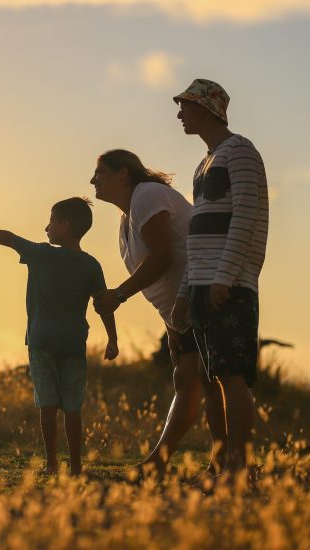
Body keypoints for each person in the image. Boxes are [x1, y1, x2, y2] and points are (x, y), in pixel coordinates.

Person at [0, 197, 118, 476]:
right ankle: (76, 467)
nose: (46, 227)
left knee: (48, 404)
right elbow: (103, 304)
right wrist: (113, 339)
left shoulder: (41, 254)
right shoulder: (91, 265)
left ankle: (52, 464)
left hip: (41, 342)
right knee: (72, 407)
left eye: (51, 221)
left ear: (65, 225)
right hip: (74, 343)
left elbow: (8, 238)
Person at [91, 149, 226, 477]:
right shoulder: (128, 217)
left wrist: (119, 295)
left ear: (123, 174)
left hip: (205, 294)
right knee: (190, 379)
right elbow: (165, 271)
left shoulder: (147, 195)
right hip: (182, 308)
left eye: (100, 172)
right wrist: (171, 326)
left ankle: (224, 464)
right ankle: (174, 462)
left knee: (211, 381)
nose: (93, 180)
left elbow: (164, 257)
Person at [171, 79, 269, 475]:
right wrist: (184, 291)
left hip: (228, 285)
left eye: (186, 106)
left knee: (232, 375)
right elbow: (198, 234)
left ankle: (238, 468)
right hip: (201, 285)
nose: (180, 114)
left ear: (207, 110)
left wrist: (225, 276)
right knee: (211, 379)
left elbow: (246, 216)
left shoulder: (241, 151)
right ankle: (219, 463)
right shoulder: (204, 163)